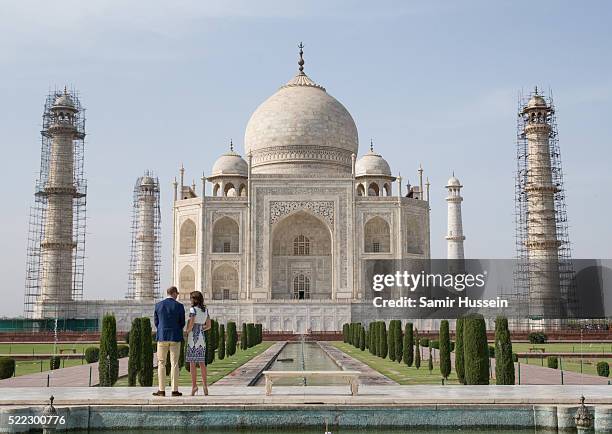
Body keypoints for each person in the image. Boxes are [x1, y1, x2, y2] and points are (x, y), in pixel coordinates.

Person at [152, 286, 185, 397]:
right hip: (175, 337)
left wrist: (162, 330)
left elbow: (156, 322)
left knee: (161, 363)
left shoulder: (158, 305)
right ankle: (174, 390)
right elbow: (182, 323)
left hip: (162, 337)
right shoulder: (179, 306)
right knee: (174, 364)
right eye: (177, 294)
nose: (177, 296)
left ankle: (161, 390)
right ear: (174, 293)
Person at [185, 290, 211, 396]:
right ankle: (205, 386)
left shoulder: (193, 309)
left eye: (191, 298)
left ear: (194, 299)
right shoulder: (205, 310)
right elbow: (208, 326)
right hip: (201, 338)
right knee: (202, 363)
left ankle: (194, 386)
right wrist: (200, 328)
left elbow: (191, 324)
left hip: (193, 338)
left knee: (192, 363)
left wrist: (187, 330)